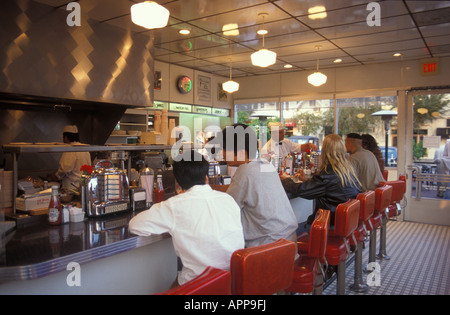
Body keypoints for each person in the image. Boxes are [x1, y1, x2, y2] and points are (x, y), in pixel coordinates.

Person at [129, 150, 244, 286]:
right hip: (234, 282)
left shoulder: (174, 205)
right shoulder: (228, 199)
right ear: (206, 178)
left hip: (199, 286)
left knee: (176, 283)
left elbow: (134, 225)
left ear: (178, 183)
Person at [220, 123, 298, 248]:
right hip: (288, 245)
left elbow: (226, 209)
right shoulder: (265, 165)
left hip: (268, 251)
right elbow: (238, 191)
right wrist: (210, 188)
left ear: (240, 151)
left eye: (224, 148)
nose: (222, 153)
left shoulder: (244, 172)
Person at [280, 134, 361, 227]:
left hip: (330, 224)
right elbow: (324, 185)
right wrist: (308, 180)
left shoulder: (328, 174)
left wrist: (286, 180)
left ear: (324, 151)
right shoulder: (347, 170)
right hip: (347, 223)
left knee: (295, 229)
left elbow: (301, 190)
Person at [53, 125, 91, 190]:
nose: (63, 140)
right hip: (83, 186)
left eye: (63, 137)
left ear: (66, 137)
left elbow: (65, 168)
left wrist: (57, 176)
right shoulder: (85, 149)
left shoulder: (70, 149)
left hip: (72, 187)